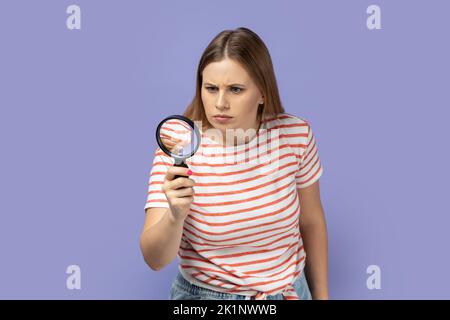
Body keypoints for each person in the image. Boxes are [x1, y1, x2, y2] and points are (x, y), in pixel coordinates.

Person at [140, 27, 328, 300]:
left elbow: (311, 221)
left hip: (289, 293)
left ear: (262, 92)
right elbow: (154, 259)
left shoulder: (295, 135)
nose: (220, 103)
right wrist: (174, 216)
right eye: (211, 88)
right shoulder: (178, 143)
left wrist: (322, 296)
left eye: (235, 89)